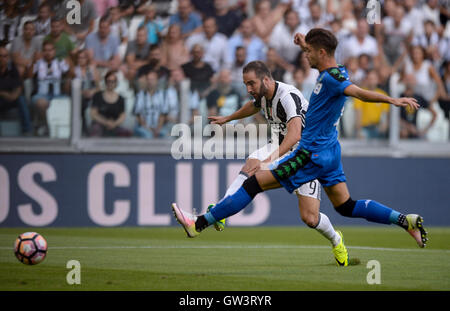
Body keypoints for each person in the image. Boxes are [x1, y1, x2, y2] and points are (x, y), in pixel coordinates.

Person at [172, 29, 428, 255]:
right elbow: (320, 61)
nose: (305, 56)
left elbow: (357, 92)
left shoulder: (331, 80)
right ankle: (405, 221)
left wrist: (393, 100)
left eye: (309, 53)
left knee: (252, 185)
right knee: (346, 206)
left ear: (322, 52)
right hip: (330, 151)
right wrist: (304, 42)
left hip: (309, 153)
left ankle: (199, 223)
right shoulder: (333, 71)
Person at [31, 41, 70, 136]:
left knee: (68, 102)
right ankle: (47, 126)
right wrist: (33, 62)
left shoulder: (60, 62)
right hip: (42, 95)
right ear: (42, 52)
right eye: (45, 50)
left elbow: (70, 74)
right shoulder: (38, 63)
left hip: (58, 95)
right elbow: (28, 76)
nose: (48, 52)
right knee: (42, 103)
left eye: (50, 50)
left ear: (54, 51)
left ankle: (62, 129)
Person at [133, 70, 176, 138]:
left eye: (152, 79)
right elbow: (139, 116)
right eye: (148, 79)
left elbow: (163, 115)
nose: (150, 82)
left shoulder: (163, 95)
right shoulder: (140, 95)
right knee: (147, 135)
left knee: (168, 137)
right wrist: (147, 128)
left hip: (159, 127)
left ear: (157, 81)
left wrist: (158, 129)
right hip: (144, 127)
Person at [0, 44, 31, 135]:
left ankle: (27, 130)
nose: (2, 59)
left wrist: (13, 96)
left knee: (21, 99)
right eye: (0, 56)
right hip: (2, 98)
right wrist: (4, 94)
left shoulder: (12, 68)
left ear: (8, 58)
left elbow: (18, 86)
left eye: (5, 56)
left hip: (11, 98)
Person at [89, 70, 131, 137]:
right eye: (109, 81)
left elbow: (122, 116)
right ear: (105, 82)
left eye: (113, 81)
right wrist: (106, 122)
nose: (110, 83)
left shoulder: (121, 99)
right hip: (99, 124)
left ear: (116, 83)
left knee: (127, 133)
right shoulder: (97, 96)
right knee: (96, 129)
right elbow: (93, 114)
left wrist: (114, 124)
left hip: (114, 125)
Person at [353, 70, 390, 139]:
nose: (371, 81)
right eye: (370, 79)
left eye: (373, 79)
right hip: (364, 128)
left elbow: (385, 115)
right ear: (366, 80)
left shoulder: (383, 95)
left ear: (378, 80)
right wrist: (358, 131)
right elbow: (358, 114)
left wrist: (384, 127)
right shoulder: (360, 93)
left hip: (377, 128)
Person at [400, 74, 437, 139]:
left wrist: (425, 130)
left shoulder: (419, 98)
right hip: (401, 130)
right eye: (407, 79)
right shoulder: (399, 97)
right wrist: (408, 126)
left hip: (415, 132)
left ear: (415, 82)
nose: (409, 82)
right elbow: (392, 116)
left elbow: (434, 114)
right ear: (403, 81)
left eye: (411, 80)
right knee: (403, 132)